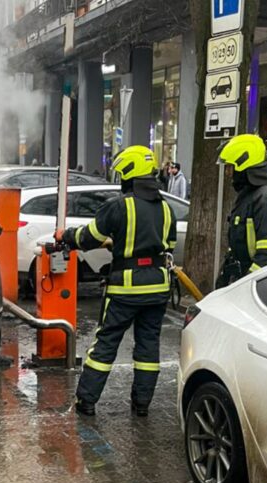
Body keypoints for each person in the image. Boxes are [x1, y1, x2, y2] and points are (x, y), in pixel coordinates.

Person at [55, 145, 176, 417]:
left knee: (106, 343)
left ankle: (87, 401)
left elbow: (89, 237)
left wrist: (65, 235)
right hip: (158, 287)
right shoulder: (166, 208)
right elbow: (166, 244)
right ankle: (141, 405)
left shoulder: (118, 206)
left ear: (131, 173)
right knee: (148, 346)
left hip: (125, 289)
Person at [217, 134, 267, 287]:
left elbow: (266, 257)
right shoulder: (247, 197)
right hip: (238, 280)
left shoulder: (265, 199)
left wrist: (244, 286)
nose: (228, 173)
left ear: (244, 166)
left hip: (251, 287)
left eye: (231, 167)